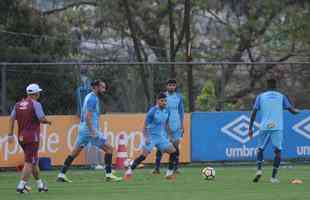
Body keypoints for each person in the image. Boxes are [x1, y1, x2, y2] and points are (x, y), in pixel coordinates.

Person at [57, 80, 122, 182]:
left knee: (74, 152)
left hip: (83, 129)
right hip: (89, 129)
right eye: (102, 87)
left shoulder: (89, 96)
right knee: (109, 149)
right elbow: (88, 116)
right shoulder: (93, 99)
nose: (104, 90)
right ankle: (109, 174)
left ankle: (61, 174)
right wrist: (93, 131)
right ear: (96, 87)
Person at [248, 79, 299, 183]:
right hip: (277, 127)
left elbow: (254, 112)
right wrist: (297, 111)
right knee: (278, 152)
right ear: (276, 86)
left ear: (267, 86)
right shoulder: (281, 96)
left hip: (264, 127)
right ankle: (273, 178)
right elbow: (292, 111)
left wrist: (250, 128)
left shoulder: (260, 96)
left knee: (260, 149)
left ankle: (258, 170)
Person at [124, 92, 178, 180]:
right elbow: (145, 126)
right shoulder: (152, 111)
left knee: (173, 152)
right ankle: (129, 171)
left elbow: (167, 124)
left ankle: (169, 174)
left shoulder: (167, 111)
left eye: (165, 101)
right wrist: (146, 137)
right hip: (151, 137)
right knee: (143, 156)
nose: (164, 102)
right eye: (162, 101)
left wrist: (170, 135)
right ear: (157, 101)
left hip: (160, 137)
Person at [8, 83, 51, 193]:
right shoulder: (36, 104)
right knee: (29, 162)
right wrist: (48, 122)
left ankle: (40, 185)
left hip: (21, 137)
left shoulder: (18, 104)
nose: (39, 94)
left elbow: (12, 119)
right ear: (36, 94)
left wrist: (9, 134)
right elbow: (41, 119)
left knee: (34, 161)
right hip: (32, 137)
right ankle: (21, 186)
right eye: (38, 93)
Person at [153, 79, 184, 174]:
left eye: (173, 85)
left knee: (175, 146)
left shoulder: (179, 97)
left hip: (176, 124)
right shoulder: (162, 96)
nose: (171, 87)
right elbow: (157, 109)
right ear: (167, 86)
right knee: (161, 146)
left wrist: (182, 124)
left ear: (175, 86)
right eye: (170, 85)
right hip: (164, 125)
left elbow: (181, 111)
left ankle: (176, 168)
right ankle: (157, 168)